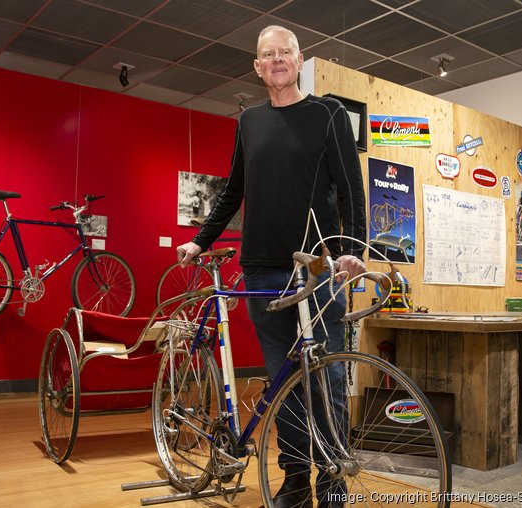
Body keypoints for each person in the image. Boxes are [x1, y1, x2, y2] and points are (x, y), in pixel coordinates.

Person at [175, 25, 366, 508]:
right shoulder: (249, 122)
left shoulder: (329, 115)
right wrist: (200, 242)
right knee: (284, 382)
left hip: (316, 269)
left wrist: (355, 249)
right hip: (261, 270)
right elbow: (233, 191)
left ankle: (333, 480)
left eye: (285, 52)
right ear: (258, 67)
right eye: (268, 55)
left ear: (300, 60)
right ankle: (297, 480)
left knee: (329, 378)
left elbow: (350, 188)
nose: (277, 60)